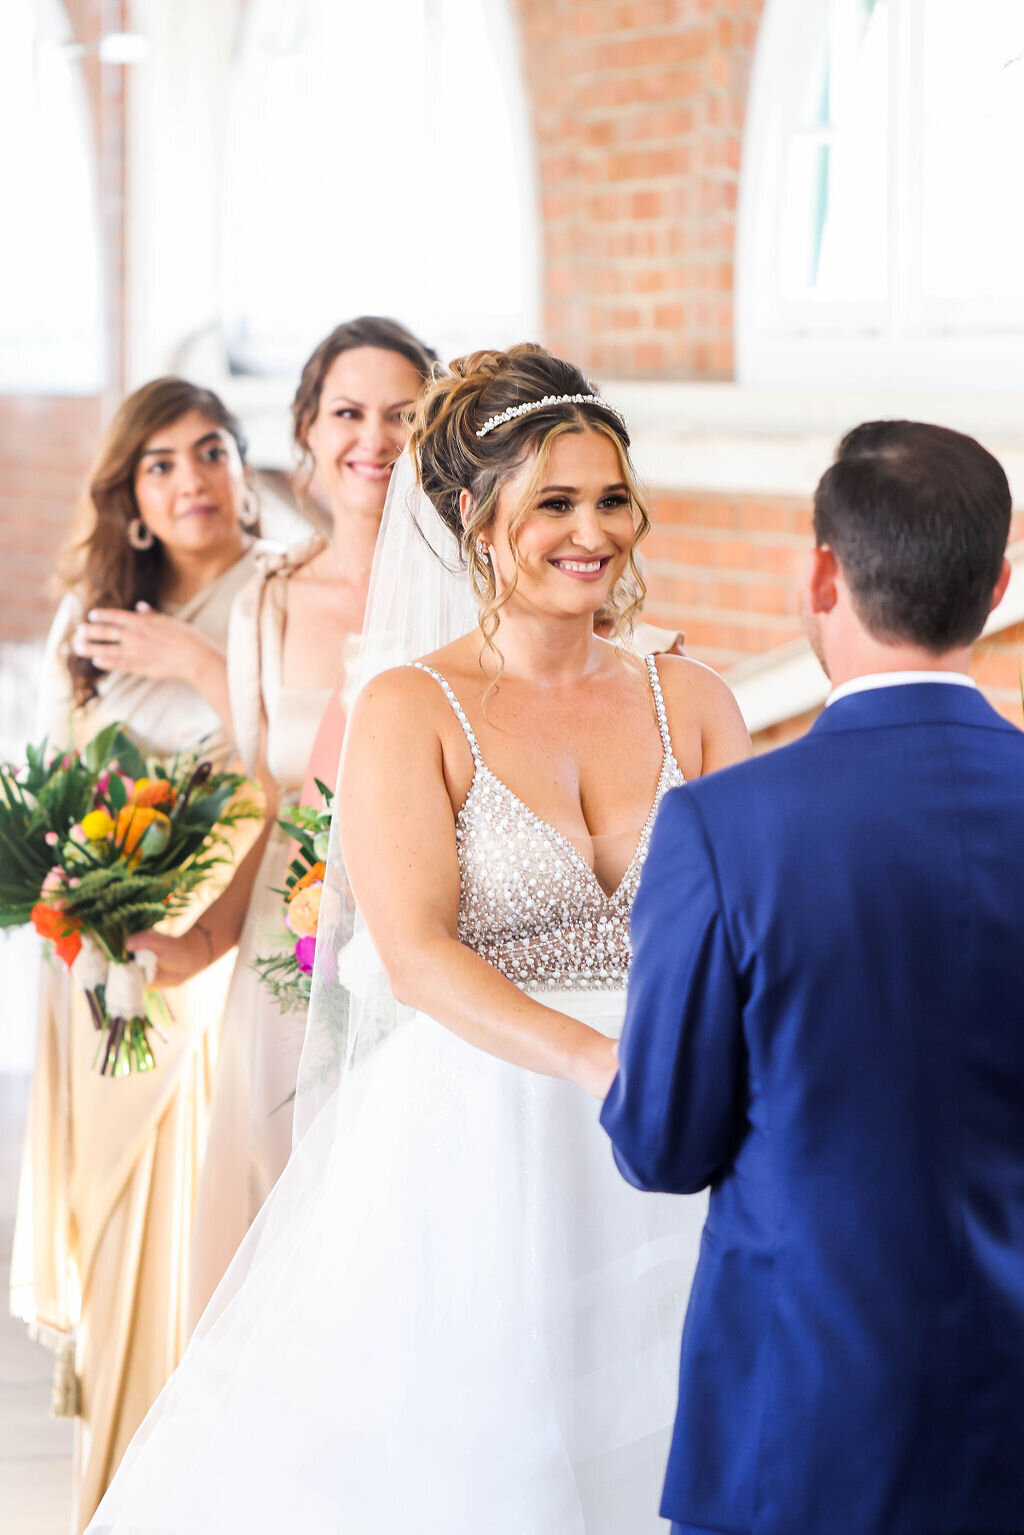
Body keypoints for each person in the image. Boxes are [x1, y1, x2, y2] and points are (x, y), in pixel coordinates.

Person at [86, 343, 751, 1534]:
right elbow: (415, 951)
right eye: (552, 501)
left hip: (669, 1127)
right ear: (474, 518)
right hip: (481, 1136)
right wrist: (600, 1062)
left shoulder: (691, 700)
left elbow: (744, 925)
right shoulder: (410, 705)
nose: (590, 530)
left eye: (609, 497)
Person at [602, 419, 1024, 1535]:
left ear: (821, 574)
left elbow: (660, 1141)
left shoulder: (721, 826)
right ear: (996, 582)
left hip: (799, 1417)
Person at [132, 317, 436, 1326]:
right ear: (306, 433)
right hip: (285, 938)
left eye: (404, 413)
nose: (375, 438)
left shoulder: (475, 592)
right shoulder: (266, 597)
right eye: (348, 412)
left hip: (421, 933)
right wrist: (205, 935)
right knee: (271, 1182)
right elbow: (267, 794)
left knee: (398, 1201)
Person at [10, 377, 261, 1533]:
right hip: (94, 969)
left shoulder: (274, 599)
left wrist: (195, 660)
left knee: (176, 1249)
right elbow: (54, 781)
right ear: (132, 496)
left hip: (202, 966)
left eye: (209, 450)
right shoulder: (90, 618)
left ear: (242, 465)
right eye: (159, 463)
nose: (190, 479)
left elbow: (293, 766)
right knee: (107, 1249)